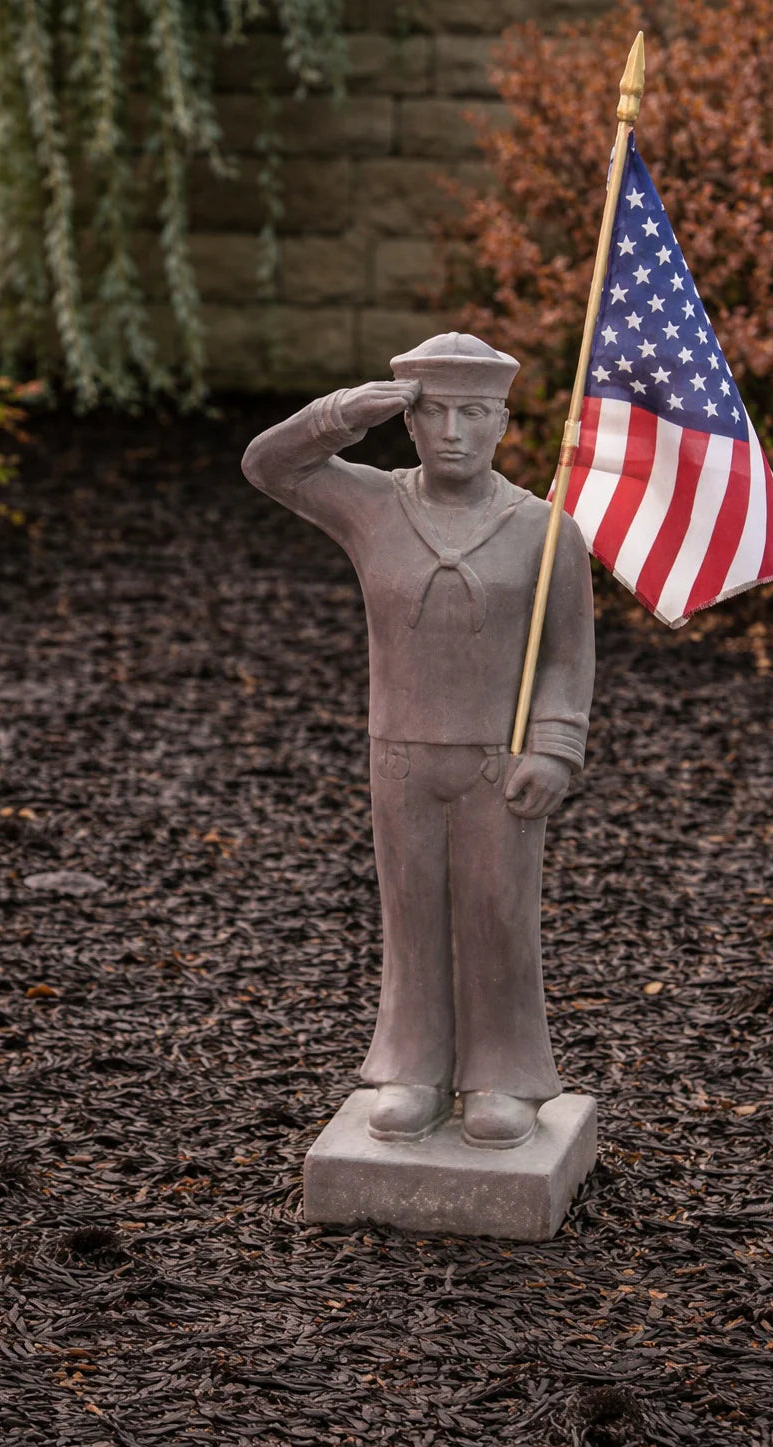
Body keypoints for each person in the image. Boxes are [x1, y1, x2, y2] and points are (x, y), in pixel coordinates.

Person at [242, 334, 595, 1150]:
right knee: (412, 913)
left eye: (474, 414)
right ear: (409, 421)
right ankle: (414, 1069)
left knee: (496, 913)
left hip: (495, 763)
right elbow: (270, 467)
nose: (453, 433)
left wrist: (554, 748)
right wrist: (340, 415)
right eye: (433, 412)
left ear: (504, 423)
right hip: (399, 756)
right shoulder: (374, 506)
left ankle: (501, 1077)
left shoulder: (545, 530)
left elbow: (568, 655)